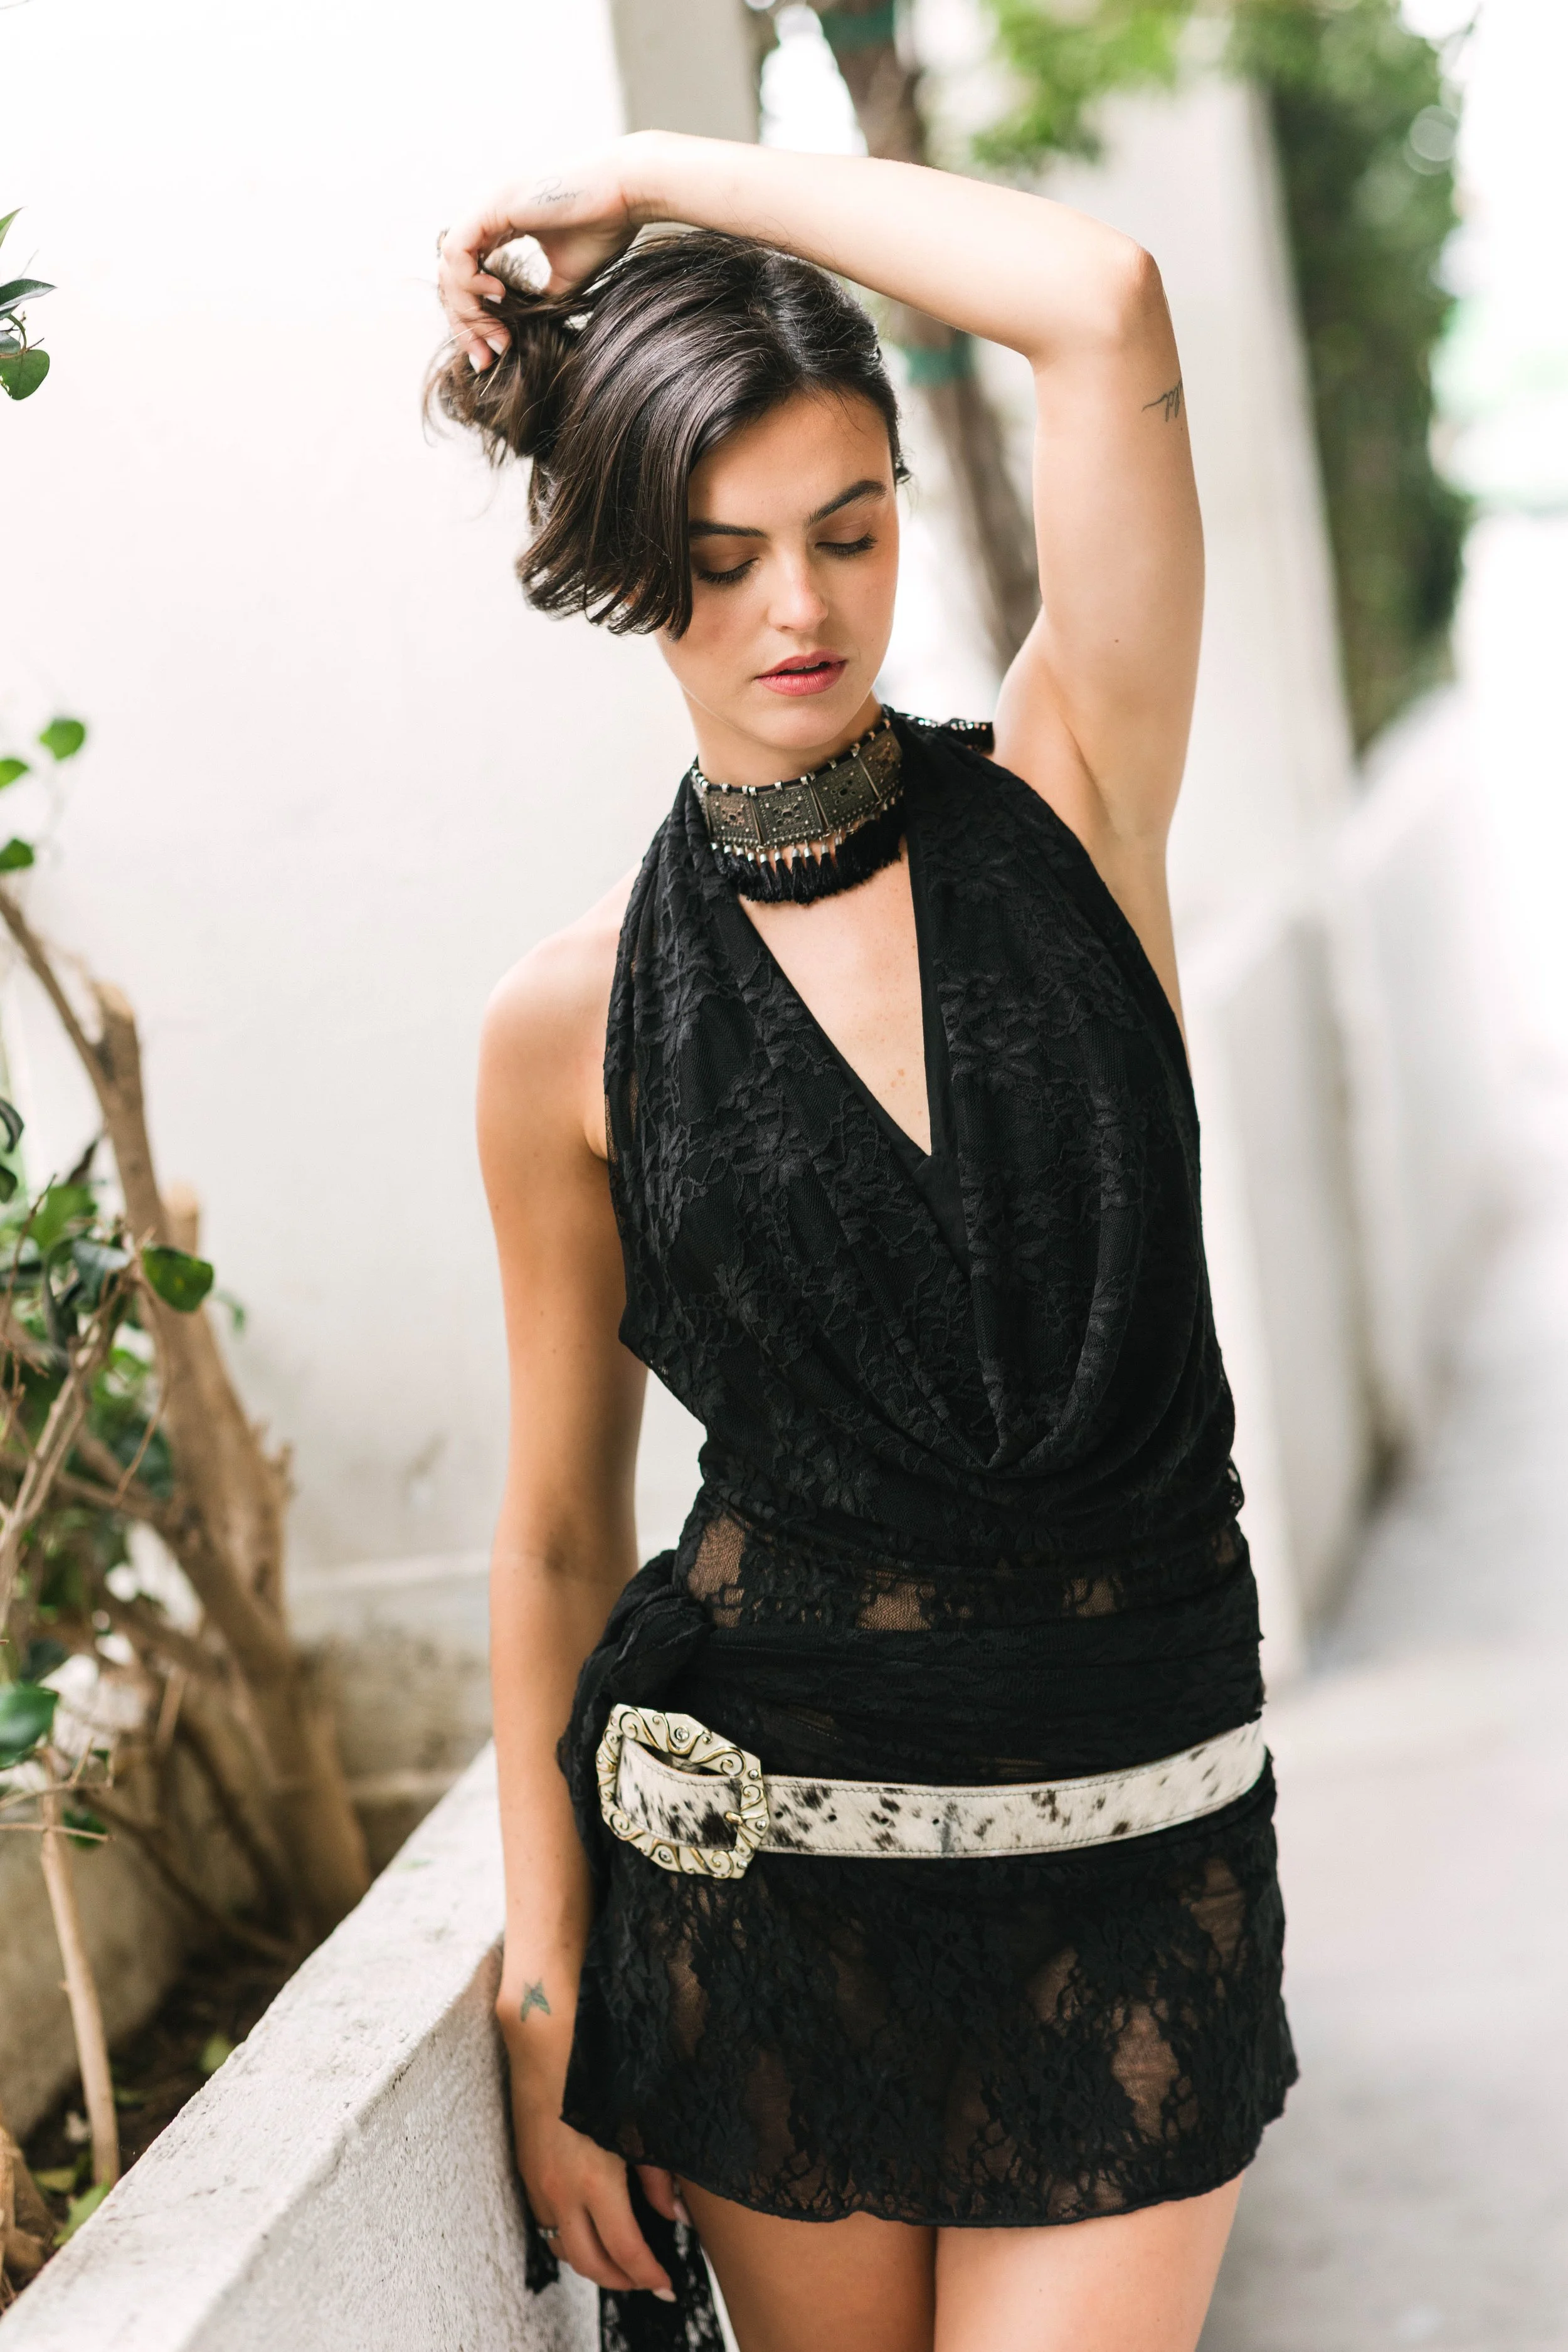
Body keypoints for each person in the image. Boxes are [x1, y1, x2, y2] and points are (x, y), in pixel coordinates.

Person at [433, 130, 1295, 2352]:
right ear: (636, 575)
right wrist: (549, 1993)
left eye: (848, 527)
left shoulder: (1075, 799)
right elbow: (548, 1537)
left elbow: (1098, 299)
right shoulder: (564, 1028)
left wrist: (640, 176)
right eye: (718, 560)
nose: (798, 611)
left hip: (1135, 1855)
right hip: (764, 1902)